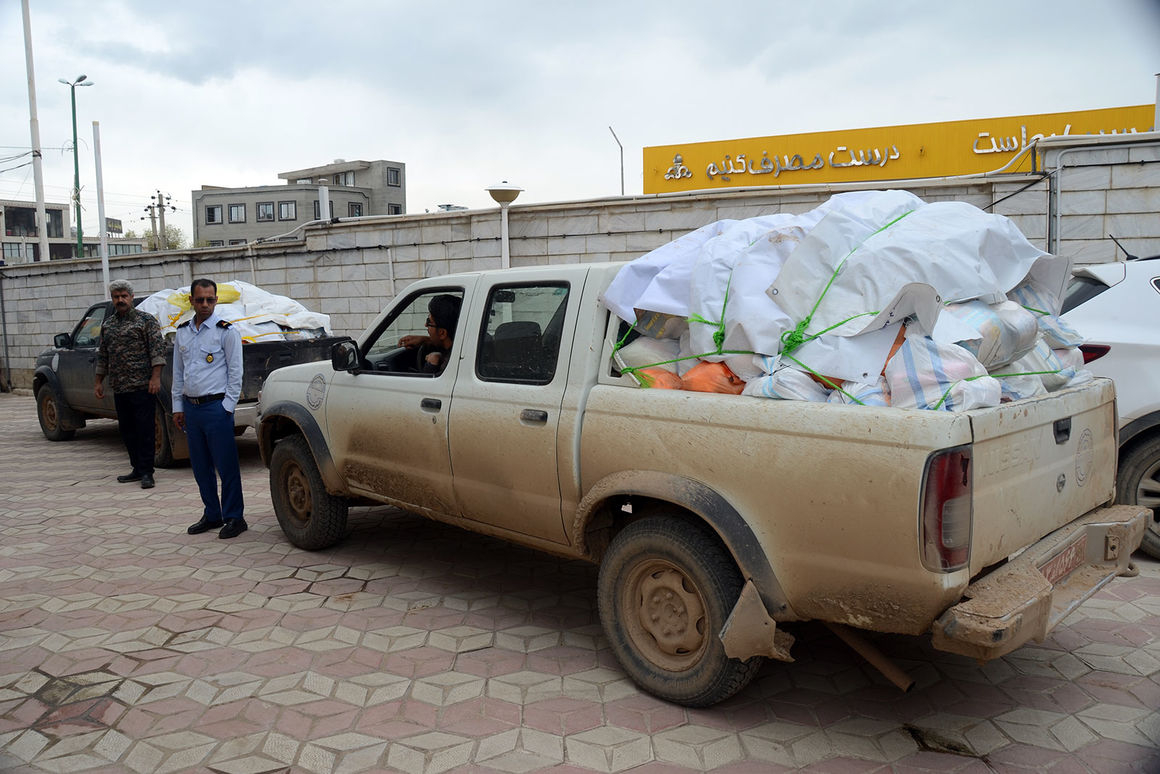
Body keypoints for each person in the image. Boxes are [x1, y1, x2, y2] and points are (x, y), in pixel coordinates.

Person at [172, 278, 247, 539]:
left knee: (226, 466)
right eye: (200, 299)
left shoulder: (226, 331)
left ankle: (235, 517)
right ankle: (212, 513)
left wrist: (227, 407)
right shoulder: (182, 332)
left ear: (216, 300)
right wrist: (177, 407)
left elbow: (236, 373)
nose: (205, 304)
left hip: (216, 408)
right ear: (191, 300)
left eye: (210, 299)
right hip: (191, 410)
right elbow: (178, 373)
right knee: (201, 467)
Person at [94, 279, 166, 490]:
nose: (120, 300)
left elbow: (157, 351)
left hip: (142, 386)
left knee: (145, 430)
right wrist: (98, 381)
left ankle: (147, 472)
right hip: (120, 386)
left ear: (132, 297)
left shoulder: (146, 321)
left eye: (124, 296)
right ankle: (136, 467)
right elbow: (103, 355)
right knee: (127, 430)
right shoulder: (108, 324)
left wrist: (155, 378)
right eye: (116, 297)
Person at [399, 294, 461, 375]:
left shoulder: (448, 368)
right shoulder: (463, 348)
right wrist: (426, 340)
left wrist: (431, 366)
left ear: (442, 333)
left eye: (429, 321)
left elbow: (425, 387)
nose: (425, 324)